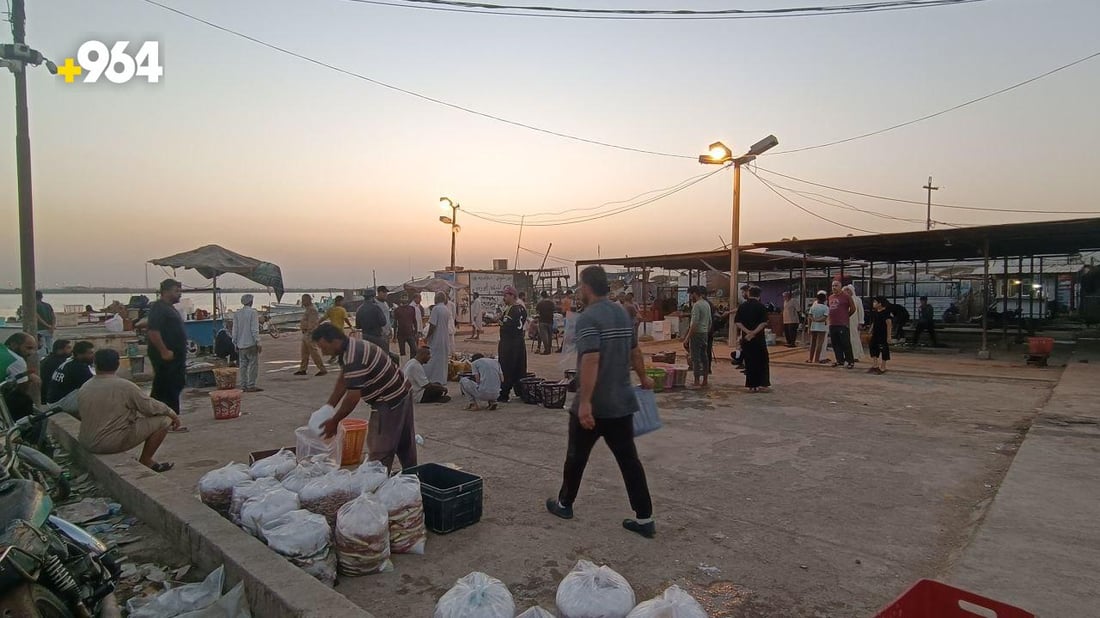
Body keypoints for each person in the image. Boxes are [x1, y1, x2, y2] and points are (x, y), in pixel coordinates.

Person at [545, 265, 656, 539]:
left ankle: (564, 504)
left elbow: (591, 359)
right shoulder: (622, 312)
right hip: (622, 404)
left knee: (576, 457)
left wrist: (584, 402)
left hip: (596, 407)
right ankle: (645, 518)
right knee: (629, 460)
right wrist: (643, 378)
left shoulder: (588, 318)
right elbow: (635, 350)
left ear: (585, 287)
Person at [311, 323, 415, 471]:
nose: (324, 352)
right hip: (401, 391)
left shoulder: (354, 356)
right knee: (405, 443)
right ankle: (412, 476)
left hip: (389, 399)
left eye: (323, 347)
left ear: (334, 341)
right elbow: (344, 380)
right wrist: (329, 407)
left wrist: (334, 421)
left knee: (380, 449)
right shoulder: (350, 347)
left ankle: (379, 482)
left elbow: (353, 397)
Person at [78, 349, 180, 472]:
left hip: (87, 441)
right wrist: (173, 414)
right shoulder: (125, 386)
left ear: (95, 364)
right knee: (164, 420)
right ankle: (146, 460)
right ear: (117, 364)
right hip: (109, 443)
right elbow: (150, 408)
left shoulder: (85, 386)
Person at [147, 279, 188, 414]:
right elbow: (153, 331)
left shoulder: (169, 308)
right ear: (165, 292)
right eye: (176, 291)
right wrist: (163, 351)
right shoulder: (159, 308)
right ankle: (167, 418)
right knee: (166, 387)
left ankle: (169, 417)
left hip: (175, 357)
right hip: (166, 357)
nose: (179, 294)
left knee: (174, 385)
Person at [735, 286, 771, 392]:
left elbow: (737, 322)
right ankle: (763, 383)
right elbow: (764, 322)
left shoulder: (742, 306)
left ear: (749, 294)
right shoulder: (761, 306)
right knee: (762, 360)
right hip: (758, 338)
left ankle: (751, 385)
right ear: (759, 295)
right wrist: (754, 332)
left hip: (746, 338)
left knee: (749, 361)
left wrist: (747, 332)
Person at [497, 285, 528, 403]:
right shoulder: (522, 308)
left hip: (509, 343)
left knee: (506, 367)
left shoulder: (512, 309)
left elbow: (506, 325)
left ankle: (504, 393)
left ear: (512, 295)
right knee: (520, 367)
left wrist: (498, 320)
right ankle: (521, 391)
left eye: (505, 295)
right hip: (519, 341)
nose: (503, 298)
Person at [47, 340, 95, 410]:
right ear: (79, 354)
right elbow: (94, 384)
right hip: (59, 404)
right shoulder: (78, 367)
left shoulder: (69, 362)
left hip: (54, 401)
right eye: (90, 353)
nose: (93, 356)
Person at [682, 286, 711, 388]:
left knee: (695, 358)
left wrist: (687, 337)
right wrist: (706, 332)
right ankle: (705, 380)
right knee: (704, 357)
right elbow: (710, 322)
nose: (690, 297)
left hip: (696, 334)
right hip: (704, 333)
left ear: (694, 293)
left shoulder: (697, 305)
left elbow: (694, 324)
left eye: (690, 295)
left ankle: (697, 381)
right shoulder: (706, 304)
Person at [232, 294, 263, 392]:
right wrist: (258, 342)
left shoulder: (237, 313)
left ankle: (243, 385)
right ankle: (251, 385)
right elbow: (254, 329)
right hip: (251, 344)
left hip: (240, 344)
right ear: (251, 302)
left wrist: (235, 342)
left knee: (243, 365)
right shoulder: (253, 313)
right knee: (253, 365)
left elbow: (235, 330)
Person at [294, 294, 327, 376]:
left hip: (310, 334)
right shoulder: (308, 309)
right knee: (304, 353)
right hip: (305, 333)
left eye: (304, 300)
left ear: (308, 300)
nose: (303, 302)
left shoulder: (312, 310)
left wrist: (309, 332)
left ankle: (322, 369)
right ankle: (303, 369)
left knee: (313, 352)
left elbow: (313, 323)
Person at [425, 292, 453, 384]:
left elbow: (433, 325)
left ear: (436, 299)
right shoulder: (446, 309)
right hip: (444, 338)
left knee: (432, 359)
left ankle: (432, 379)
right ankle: (441, 379)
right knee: (442, 360)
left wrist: (427, 337)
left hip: (436, 338)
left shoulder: (436, 309)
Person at [827, 280, 856, 369]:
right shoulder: (830, 297)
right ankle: (840, 360)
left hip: (842, 324)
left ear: (840, 287)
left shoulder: (846, 296)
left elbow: (853, 308)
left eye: (836, 285)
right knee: (835, 343)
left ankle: (850, 361)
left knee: (845, 343)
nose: (834, 287)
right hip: (832, 323)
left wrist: (846, 316)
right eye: (832, 286)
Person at [868, 296, 894, 375]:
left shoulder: (886, 312)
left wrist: (889, 336)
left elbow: (889, 324)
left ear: (880, 303)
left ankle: (883, 366)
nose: (874, 303)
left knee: (884, 349)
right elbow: (874, 322)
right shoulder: (875, 312)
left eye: (875, 302)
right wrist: (870, 330)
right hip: (875, 333)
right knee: (873, 347)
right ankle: (875, 365)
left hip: (883, 334)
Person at [806, 291, 830, 364]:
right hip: (822, 327)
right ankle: (816, 359)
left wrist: (814, 320)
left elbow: (809, 316)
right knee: (819, 344)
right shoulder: (826, 308)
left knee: (813, 343)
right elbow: (824, 318)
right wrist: (818, 320)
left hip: (813, 327)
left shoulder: (813, 307)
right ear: (825, 299)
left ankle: (810, 359)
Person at [844, 285, 865, 362]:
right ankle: (846, 355)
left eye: (848, 290)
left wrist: (861, 322)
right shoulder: (843, 299)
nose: (847, 292)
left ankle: (855, 355)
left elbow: (861, 311)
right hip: (844, 322)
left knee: (854, 338)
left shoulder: (857, 300)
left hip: (854, 322)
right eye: (845, 290)